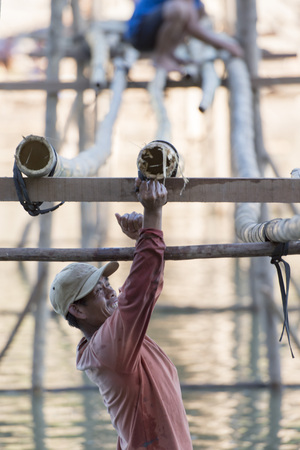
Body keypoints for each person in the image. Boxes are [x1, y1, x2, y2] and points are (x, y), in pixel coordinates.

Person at [50, 178, 193, 449]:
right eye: (99, 291)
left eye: (107, 284)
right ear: (77, 310)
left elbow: (147, 287)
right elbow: (139, 292)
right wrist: (153, 215)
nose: (111, 292)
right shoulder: (108, 347)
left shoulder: (111, 342)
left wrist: (145, 238)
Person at [125, 0, 244, 73]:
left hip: (155, 31)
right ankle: (161, 57)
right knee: (179, 9)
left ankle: (170, 53)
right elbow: (192, 27)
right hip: (139, 36)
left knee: (198, 9)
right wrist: (225, 45)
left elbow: (194, 20)